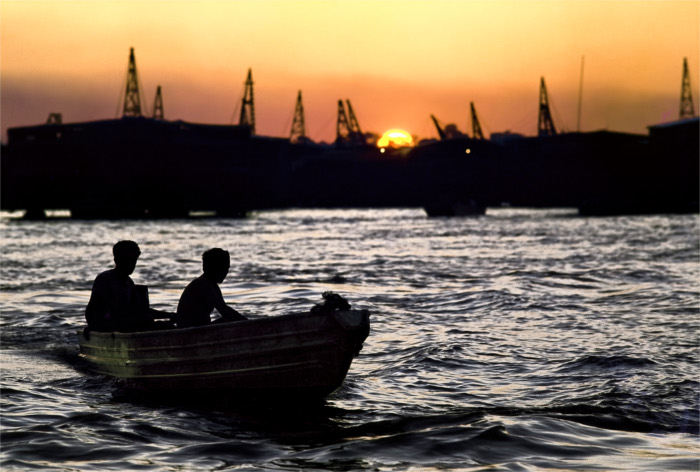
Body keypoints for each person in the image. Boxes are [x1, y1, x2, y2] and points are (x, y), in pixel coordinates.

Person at [85, 240, 169, 332]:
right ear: (116, 260)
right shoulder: (105, 279)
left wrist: (170, 315)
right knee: (146, 320)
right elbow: (112, 312)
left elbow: (141, 309)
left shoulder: (129, 283)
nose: (130, 264)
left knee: (162, 324)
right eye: (126, 260)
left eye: (133, 260)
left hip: (122, 322)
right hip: (105, 324)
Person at [176, 248, 247, 328]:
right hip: (189, 331)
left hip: (198, 328)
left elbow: (225, 308)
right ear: (215, 267)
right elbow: (224, 311)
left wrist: (246, 321)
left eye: (228, 268)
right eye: (224, 267)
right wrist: (248, 323)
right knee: (229, 319)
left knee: (230, 318)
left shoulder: (212, 286)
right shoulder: (202, 284)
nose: (226, 271)